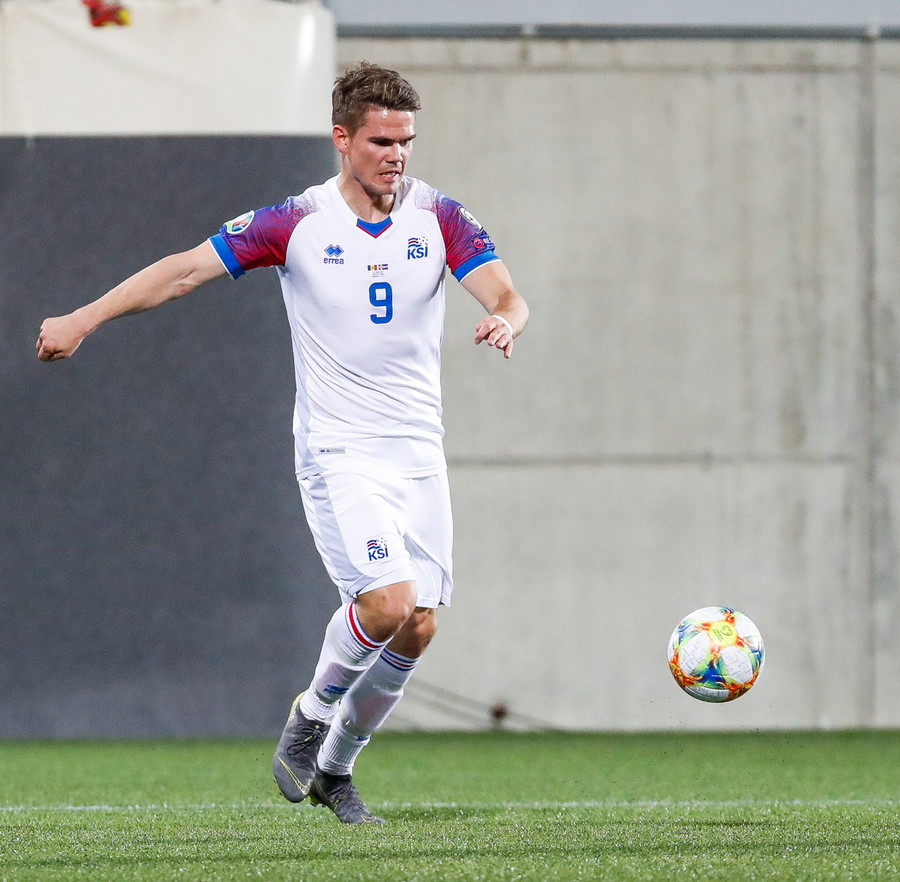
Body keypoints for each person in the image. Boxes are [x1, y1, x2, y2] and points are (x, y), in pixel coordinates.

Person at [36, 62, 529, 824]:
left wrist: (505, 318)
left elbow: (506, 292)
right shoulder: (296, 222)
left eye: (406, 141)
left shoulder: (440, 217)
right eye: (381, 141)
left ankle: (336, 770)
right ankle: (312, 714)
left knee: (420, 624)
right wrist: (83, 319)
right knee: (387, 601)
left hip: (416, 453)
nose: (397, 155)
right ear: (342, 139)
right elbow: (183, 271)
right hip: (339, 450)